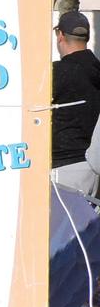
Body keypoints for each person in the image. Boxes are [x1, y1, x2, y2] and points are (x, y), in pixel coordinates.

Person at [54, 11, 100, 195]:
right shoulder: (97, 70)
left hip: (62, 166)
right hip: (92, 168)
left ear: (60, 36)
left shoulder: (56, 74)